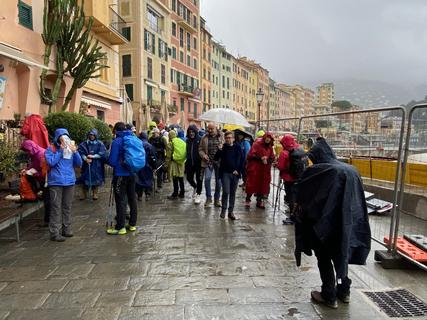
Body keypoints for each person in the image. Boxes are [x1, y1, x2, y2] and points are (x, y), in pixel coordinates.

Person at [294, 137, 371, 309]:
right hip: (348, 221)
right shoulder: (352, 170)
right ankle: (344, 291)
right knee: (341, 253)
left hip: (325, 223)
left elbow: (304, 196)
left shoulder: (320, 170)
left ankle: (328, 295)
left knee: (324, 257)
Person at [45, 128, 82, 242]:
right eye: (62, 137)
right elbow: (51, 162)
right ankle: (54, 232)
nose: (65, 140)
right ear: (57, 139)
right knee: (56, 207)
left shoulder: (70, 150)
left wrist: (75, 152)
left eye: (66, 137)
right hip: (56, 182)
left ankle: (66, 228)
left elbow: (79, 164)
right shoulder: (51, 149)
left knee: (67, 206)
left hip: (69, 181)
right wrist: (60, 151)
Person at [107, 122, 138, 235]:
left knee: (120, 200)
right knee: (132, 199)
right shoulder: (132, 138)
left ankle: (120, 227)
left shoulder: (117, 141)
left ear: (115, 130)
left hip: (120, 175)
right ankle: (132, 224)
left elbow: (112, 161)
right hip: (132, 173)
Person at [214, 131, 244, 220]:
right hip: (225, 173)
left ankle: (231, 212)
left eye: (230, 138)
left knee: (232, 193)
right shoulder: (223, 148)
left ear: (233, 139)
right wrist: (219, 150)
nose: (228, 139)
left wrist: (238, 171)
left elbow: (241, 160)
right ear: (225, 139)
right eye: (227, 138)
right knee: (226, 191)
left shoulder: (238, 147)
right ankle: (223, 210)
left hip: (235, 174)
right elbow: (216, 159)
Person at [276, 134, 305, 224]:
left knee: (290, 197)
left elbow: (280, 166)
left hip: (288, 178)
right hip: (299, 177)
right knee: (297, 197)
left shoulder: (284, 153)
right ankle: (298, 214)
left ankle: (293, 217)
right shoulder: (300, 149)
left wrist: (276, 164)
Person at [20, 140, 50, 225]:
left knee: (48, 200)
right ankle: (48, 220)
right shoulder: (35, 153)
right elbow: (33, 165)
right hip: (43, 180)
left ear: (32, 148)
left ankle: (48, 221)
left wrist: (35, 174)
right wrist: (26, 169)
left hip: (46, 181)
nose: (27, 153)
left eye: (28, 150)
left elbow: (45, 172)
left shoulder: (41, 155)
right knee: (46, 199)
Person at [245, 132, 275, 209]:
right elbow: (250, 156)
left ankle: (259, 201)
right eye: (267, 137)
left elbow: (272, 158)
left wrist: (267, 160)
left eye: (270, 138)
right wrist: (260, 158)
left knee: (262, 185)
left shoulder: (270, 148)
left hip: (264, 169)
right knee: (251, 184)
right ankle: (248, 200)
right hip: (255, 169)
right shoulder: (256, 145)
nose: (268, 139)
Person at [77, 129, 107, 201]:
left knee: (96, 179)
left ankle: (95, 193)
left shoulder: (100, 144)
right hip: (86, 164)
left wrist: (93, 156)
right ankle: (84, 194)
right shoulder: (84, 144)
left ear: (96, 136)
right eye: (90, 135)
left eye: (93, 135)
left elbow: (103, 153)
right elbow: (80, 152)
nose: (91, 136)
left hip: (96, 165)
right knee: (84, 179)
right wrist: (85, 159)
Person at [199, 123, 224, 207]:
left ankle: (217, 200)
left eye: (211, 129)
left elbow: (227, 147)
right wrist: (203, 155)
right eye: (208, 129)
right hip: (208, 162)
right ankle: (208, 198)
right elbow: (200, 149)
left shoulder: (222, 136)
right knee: (207, 179)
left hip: (219, 162)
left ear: (216, 128)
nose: (210, 130)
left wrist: (222, 148)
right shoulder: (204, 138)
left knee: (219, 181)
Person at [136, 132, 157, 201]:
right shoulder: (149, 146)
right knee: (148, 180)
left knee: (139, 180)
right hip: (147, 166)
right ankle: (147, 194)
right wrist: (154, 166)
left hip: (138, 166)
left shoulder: (137, 144)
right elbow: (153, 157)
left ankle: (139, 195)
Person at [166, 130, 186, 199]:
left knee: (175, 178)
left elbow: (168, 156)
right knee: (181, 178)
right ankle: (182, 193)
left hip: (174, 163)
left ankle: (175, 194)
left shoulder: (170, 143)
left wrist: (167, 164)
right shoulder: (181, 141)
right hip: (181, 162)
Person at [185, 125, 203, 204]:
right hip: (189, 163)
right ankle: (195, 187)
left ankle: (198, 195)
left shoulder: (200, 139)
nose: (191, 133)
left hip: (199, 163)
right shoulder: (188, 140)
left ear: (195, 132)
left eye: (193, 132)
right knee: (189, 178)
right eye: (190, 132)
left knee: (199, 179)